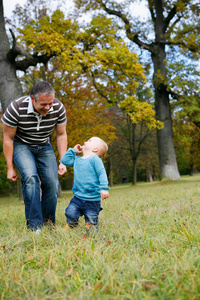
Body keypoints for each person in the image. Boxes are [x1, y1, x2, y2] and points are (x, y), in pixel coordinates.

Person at [1, 81, 67, 231]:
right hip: (21, 145)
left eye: (50, 103)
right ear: (32, 99)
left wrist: (63, 160)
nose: (48, 107)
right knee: (30, 178)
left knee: (52, 182)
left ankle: (48, 223)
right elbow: (8, 138)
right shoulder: (16, 108)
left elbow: (61, 134)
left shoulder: (58, 108)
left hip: (44, 145)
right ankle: (34, 226)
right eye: (43, 104)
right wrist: (10, 167)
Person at [61, 137, 109, 235]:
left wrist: (104, 188)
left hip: (92, 200)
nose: (85, 141)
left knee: (91, 219)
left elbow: (102, 173)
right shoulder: (77, 160)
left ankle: (92, 235)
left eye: (89, 141)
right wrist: (73, 150)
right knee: (70, 212)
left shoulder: (95, 159)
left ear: (95, 149)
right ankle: (72, 224)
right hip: (78, 197)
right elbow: (64, 160)